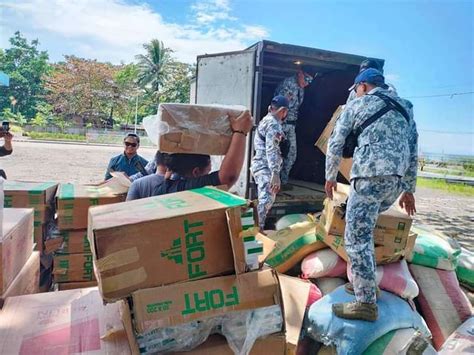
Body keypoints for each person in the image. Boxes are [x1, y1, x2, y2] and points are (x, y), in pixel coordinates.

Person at [325, 68, 418, 321]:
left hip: (369, 177)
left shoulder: (358, 104)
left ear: (363, 86)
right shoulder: (406, 106)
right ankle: (364, 283)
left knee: (357, 237)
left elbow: (335, 141)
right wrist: (409, 189)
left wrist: (330, 176)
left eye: (356, 89)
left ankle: (365, 303)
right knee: (365, 229)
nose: (355, 93)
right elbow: (413, 148)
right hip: (394, 183)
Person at [152, 110, 253, 196]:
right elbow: (228, 177)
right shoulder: (188, 189)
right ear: (196, 172)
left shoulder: (161, 188)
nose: (208, 174)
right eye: (207, 172)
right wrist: (240, 132)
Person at [251, 95, 289, 231]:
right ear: (283, 110)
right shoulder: (273, 124)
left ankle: (256, 228)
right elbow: (271, 149)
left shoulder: (267, 120)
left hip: (262, 165)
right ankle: (256, 231)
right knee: (266, 199)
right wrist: (275, 173)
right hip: (265, 166)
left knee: (264, 200)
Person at [274, 67, 315, 189]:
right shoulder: (288, 84)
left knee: (291, 154)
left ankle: (283, 181)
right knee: (275, 154)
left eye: (310, 81)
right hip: (280, 124)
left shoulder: (300, 88)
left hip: (291, 125)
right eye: (306, 78)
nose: (307, 83)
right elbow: (279, 108)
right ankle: (274, 183)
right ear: (300, 73)